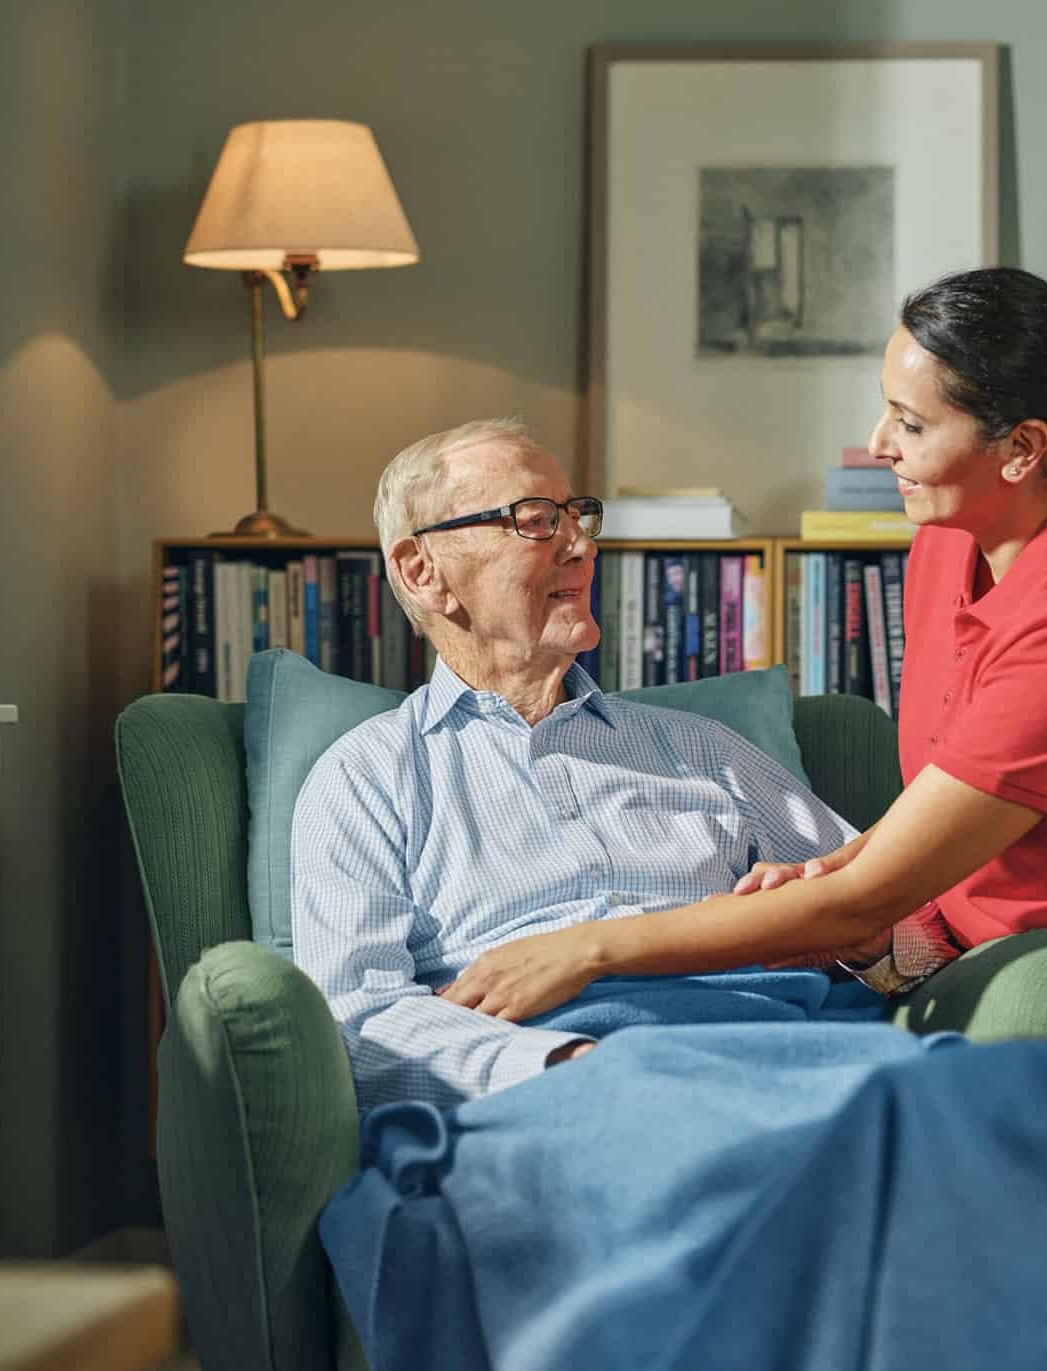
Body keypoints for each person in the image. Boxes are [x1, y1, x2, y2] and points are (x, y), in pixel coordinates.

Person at [447, 268, 1047, 1213]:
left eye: (910, 424)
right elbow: (951, 795)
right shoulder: (947, 542)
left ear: (1022, 448)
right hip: (1037, 1036)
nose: (879, 447)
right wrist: (840, 875)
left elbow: (875, 893)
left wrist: (590, 949)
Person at [289, 418, 871, 1112]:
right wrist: (566, 1067)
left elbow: (901, 914)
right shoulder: (368, 777)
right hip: (567, 1092)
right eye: (535, 520)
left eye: (577, 515)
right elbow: (359, 1017)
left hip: (787, 1055)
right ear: (424, 571)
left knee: (992, 1089)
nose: (582, 544)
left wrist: (850, 938)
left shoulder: (705, 751)